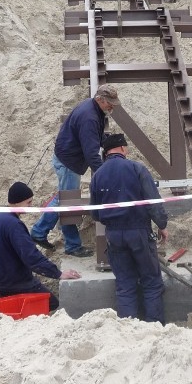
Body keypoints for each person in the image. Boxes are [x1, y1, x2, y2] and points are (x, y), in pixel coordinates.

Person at [31, 84, 121, 257]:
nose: (112, 106)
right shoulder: (90, 117)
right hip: (69, 162)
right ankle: (66, 243)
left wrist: (107, 142)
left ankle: (39, 231)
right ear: (100, 99)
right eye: (110, 103)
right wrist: (103, 175)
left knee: (64, 198)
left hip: (66, 157)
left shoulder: (93, 108)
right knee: (67, 201)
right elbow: (90, 152)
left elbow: (95, 135)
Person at [89, 133, 169, 323]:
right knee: (151, 282)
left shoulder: (97, 175)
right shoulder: (137, 168)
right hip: (139, 231)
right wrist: (162, 225)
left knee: (125, 285)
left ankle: (127, 329)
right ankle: (154, 328)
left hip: (114, 235)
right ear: (123, 149)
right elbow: (153, 202)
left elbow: (95, 213)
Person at [0, 181, 81, 312]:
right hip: (12, 282)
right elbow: (31, 257)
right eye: (28, 202)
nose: (31, 205)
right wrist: (58, 273)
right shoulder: (14, 225)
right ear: (17, 202)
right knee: (53, 304)